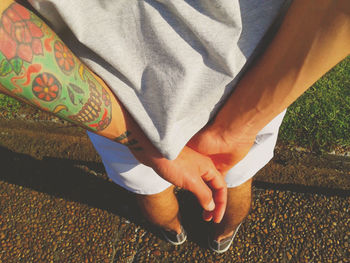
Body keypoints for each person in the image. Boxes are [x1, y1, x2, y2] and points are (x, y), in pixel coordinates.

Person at [0, 0, 349, 253]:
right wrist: (238, 126)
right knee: (236, 180)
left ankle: (174, 232)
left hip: (110, 100)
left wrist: (140, 141)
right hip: (256, 82)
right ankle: (221, 234)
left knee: (150, 192)